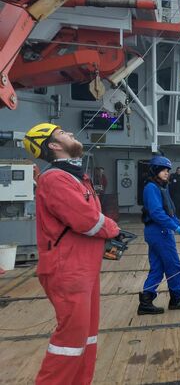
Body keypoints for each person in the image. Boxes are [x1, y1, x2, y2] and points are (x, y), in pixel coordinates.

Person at [23, 123, 121, 384]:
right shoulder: (55, 178)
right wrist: (114, 229)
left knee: (86, 338)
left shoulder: (75, 176)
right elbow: (87, 219)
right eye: (62, 134)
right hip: (68, 270)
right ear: (54, 146)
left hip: (84, 270)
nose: (70, 134)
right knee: (68, 344)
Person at [137, 155, 180, 315]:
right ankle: (176, 299)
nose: (167, 172)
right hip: (159, 232)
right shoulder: (152, 188)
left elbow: (170, 210)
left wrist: (177, 224)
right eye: (163, 170)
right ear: (155, 170)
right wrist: (174, 227)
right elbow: (156, 212)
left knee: (157, 267)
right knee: (173, 265)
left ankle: (145, 302)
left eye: (168, 170)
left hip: (157, 231)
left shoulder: (161, 187)